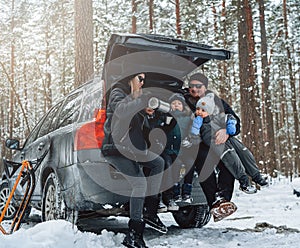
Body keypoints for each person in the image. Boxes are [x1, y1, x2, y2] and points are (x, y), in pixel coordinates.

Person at [101, 72, 167, 248]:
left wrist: (148, 114)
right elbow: (121, 110)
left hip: (132, 149)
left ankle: (150, 212)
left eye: (144, 80)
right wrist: (141, 103)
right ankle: (133, 234)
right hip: (115, 148)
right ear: (130, 78)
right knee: (139, 183)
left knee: (158, 163)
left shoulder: (134, 99)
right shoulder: (118, 91)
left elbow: (141, 128)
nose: (143, 83)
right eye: (140, 79)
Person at [182, 73, 239, 221]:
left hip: (215, 141)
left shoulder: (216, 101)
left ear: (205, 88)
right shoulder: (182, 100)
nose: (194, 89)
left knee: (229, 161)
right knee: (203, 159)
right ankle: (213, 201)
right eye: (192, 86)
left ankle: (223, 200)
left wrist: (227, 131)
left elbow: (234, 120)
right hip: (193, 144)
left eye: (198, 86)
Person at [192, 92, 261, 194]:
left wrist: (229, 127)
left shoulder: (217, 115)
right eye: (198, 109)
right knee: (230, 155)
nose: (199, 112)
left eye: (203, 110)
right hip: (213, 143)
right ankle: (243, 180)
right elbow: (194, 131)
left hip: (222, 139)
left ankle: (255, 175)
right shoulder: (198, 120)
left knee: (242, 151)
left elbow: (230, 120)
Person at [153, 93, 198, 211]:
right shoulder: (165, 117)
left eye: (179, 103)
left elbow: (193, 132)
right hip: (169, 150)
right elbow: (158, 130)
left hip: (183, 151)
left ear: (183, 106)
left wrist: (190, 140)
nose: (176, 105)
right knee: (174, 166)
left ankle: (187, 191)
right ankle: (175, 192)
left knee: (190, 163)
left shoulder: (188, 118)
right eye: (174, 103)